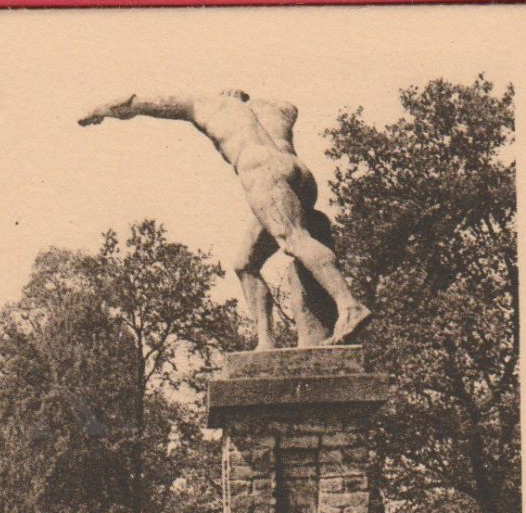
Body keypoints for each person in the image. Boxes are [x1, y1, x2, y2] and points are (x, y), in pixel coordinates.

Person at [78, 90, 372, 348]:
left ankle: (349, 305)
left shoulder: (207, 104)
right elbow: (290, 107)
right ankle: (266, 340)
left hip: (261, 168)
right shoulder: (272, 110)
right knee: (245, 263)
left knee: (295, 240)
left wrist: (101, 109)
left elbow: (140, 102)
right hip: (299, 172)